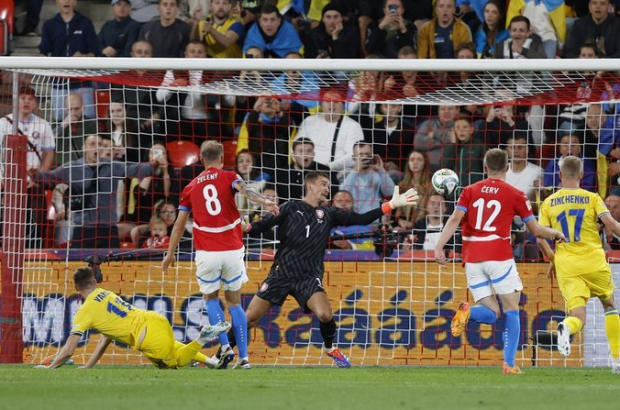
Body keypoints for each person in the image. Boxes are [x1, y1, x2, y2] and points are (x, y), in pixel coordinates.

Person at [213, 171, 419, 368]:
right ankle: (221, 353)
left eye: (328, 186)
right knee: (249, 317)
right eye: (323, 184)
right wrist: (246, 228)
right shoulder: (290, 207)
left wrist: (391, 204)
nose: (327, 189)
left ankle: (330, 347)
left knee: (325, 315)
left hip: (309, 276)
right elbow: (263, 225)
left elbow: (362, 219)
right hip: (282, 273)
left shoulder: (329, 214)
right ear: (310, 186)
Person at [433, 148, 565, 374]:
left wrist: (438, 246)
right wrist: (556, 233)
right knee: (512, 310)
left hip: (472, 259)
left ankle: (468, 312)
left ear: (485, 168)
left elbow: (455, 218)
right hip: (499, 257)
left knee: (492, 313)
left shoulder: (469, 191)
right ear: (507, 168)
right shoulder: (516, 194)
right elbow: (535, 230)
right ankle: (510, 364)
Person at [162, 140, 279, 370]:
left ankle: (224, 346)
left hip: (208, 251)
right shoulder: (229, 176)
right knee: (235, 303)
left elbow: (178, 225)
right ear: (223, 159)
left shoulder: (191, 186)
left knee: (211, 299)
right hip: (233, 249)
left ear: (201, 160)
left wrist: (170, 254)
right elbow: (246, 190)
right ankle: (244, 358)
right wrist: (265, 200)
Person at [36, 267, 230, 369]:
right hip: (154, 319)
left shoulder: (85, 310)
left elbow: (69, 350)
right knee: (173, 348)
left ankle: (203, 338)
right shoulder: (106, 292)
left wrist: (51, 367)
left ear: (76, 288)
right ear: (95, 282)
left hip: (146, 335)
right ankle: (212, 362)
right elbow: (107, 336)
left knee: (173, 363)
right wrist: (88, 365)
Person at [536, 156, 620, 373]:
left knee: (578, 313)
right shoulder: (592, 198)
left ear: (560, 175)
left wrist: (553, 259)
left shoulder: (548, 202)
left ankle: (568, 326)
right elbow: (611, 224)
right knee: (609, 305)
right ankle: (617, 360)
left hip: (567, 263)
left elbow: (540, 237)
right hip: (592, 259)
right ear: (582, 175)